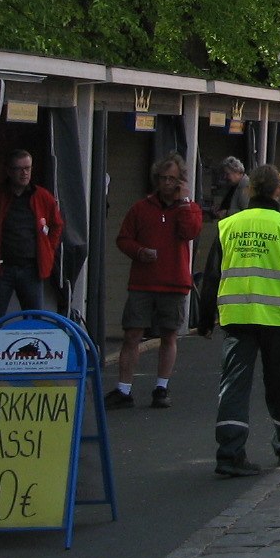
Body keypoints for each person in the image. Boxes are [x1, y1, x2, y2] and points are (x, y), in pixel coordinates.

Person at [194, 163, 280, 477]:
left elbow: (212, 276)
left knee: (234, 385)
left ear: (250, 190)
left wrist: (205, 319)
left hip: (237, 317)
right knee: (279, 383)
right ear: (278, 190)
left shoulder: (229, 226)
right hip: (276, 319)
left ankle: (229, 451)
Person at [107, 155, 204, 409]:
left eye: (172, 179)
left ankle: (161, 386)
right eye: (162, 178)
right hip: (143, 281)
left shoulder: (189, 207)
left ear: (180, 180)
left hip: (174, 281)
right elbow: (123, 239)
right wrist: (139, 251)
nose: (166, 183)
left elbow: (190, 232)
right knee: (132, 334)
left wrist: (183, 201)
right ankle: (124, 388)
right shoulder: (140, 208)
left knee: (169, 335)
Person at [0, 149, 65, 317]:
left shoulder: (42, 197)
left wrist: (48, 249)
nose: (25, 173)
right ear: (9, 171)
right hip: (1, 267)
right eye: (19, 169)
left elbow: (57, 225)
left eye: (28, 168)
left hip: (31, 268)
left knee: (35, 319)